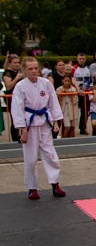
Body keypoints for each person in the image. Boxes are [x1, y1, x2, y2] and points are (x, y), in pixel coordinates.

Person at [11, 57, 66, 200]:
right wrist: (22, 129)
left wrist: (56, 121)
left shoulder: (45, 83)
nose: (34, 71)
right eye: (30, 69)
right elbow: (17, 108)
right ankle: (32, 188)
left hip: (44, 123)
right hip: (29, 125)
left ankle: (55, 183)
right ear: (24, 70)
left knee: (50, 154)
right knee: (30, 158)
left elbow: (53, 103)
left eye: (36, 68)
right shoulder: (20, 86)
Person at [3, 53, 24, 142]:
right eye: (15, 63)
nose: (17, 65)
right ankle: (15, 139)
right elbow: (8, 87)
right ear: (10, 63)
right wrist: (17, 78)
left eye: (18, 63)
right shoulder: (7, 73)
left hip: (22, 97)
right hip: (12, 98)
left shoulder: (20, 72)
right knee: (15, 119)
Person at [72, 52, 91, 135]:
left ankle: (83, 128)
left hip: (85, 94)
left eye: (83, 59)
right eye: (80, 59)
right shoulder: (74, 68)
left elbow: (91, 80)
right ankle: (72, 128)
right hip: (76, 93)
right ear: (77, 59)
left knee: (85, 112)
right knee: (74, 111)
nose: (81, 60)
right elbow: (70, 79)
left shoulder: (89, 68)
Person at [56, 73, 78, 138]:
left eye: (68, 81)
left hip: (73, 110)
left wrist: (70, 95)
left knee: (72, 127)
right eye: (65, 81)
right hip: (64, 110)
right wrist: (62, 94)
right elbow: (56, 100)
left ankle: (71, 140)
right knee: (67, 126)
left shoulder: (73, 89)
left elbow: (76, 100)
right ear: (62, 81)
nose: (67, 83)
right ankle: (64, 140)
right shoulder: (59, 89)